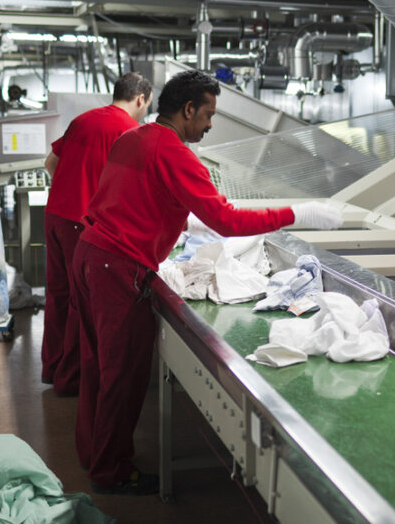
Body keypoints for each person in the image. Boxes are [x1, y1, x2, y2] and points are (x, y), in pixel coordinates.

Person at [70, 70, 342, 494]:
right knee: (121, 375)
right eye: (208, 114)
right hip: (117, 268)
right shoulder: (175, 152)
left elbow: (131, 195)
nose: (210, 124)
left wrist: (180, 220)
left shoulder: (132, 138)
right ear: (188, 109)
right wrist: (297, 214)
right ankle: (111, 472)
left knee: (96, 367)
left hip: (89, 255)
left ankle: (93, 454)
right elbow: (228, 220)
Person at [41, 72, 152, 396]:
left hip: (55, 216)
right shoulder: (132, 131)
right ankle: (69, 381)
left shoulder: (82, 120)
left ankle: (52, 369)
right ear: (141, 99)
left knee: (58, 296)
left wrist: (71, 189)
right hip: (82, 225)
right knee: (81, 304)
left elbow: (51, 163)